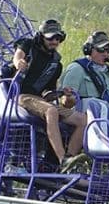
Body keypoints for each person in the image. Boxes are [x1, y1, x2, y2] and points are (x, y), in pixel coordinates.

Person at [12, 19, 87, 168]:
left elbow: (48, 94)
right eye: (50, 37)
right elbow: (18, 56)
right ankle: (62, 159)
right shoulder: (28, 45)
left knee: (84, 120)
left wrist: (61, 93)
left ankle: (69, 160)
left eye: (58, 38)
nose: (54, 41)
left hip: (40, 101)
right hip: (21, 96)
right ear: (41, 36)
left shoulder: (56, 64)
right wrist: (19, 63)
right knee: (51, 110)